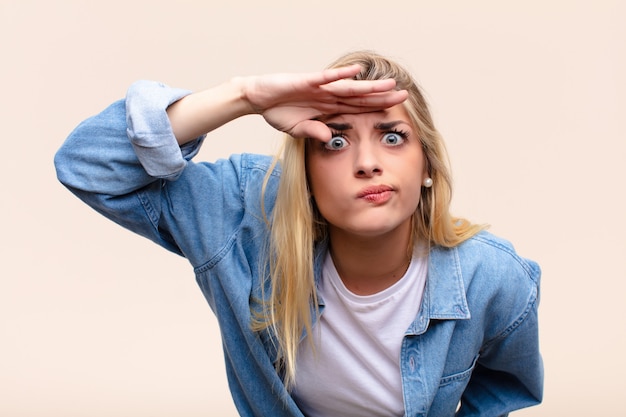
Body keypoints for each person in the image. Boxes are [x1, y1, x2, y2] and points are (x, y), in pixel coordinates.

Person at [54, 50, 543, 416]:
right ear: (304, 173)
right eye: (334, 141)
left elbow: (504, 388)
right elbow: (88, 165)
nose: (368, 163)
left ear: (428, 166)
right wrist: (242, 96)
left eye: (393, 138)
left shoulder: (492, 277)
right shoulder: (245, 220)